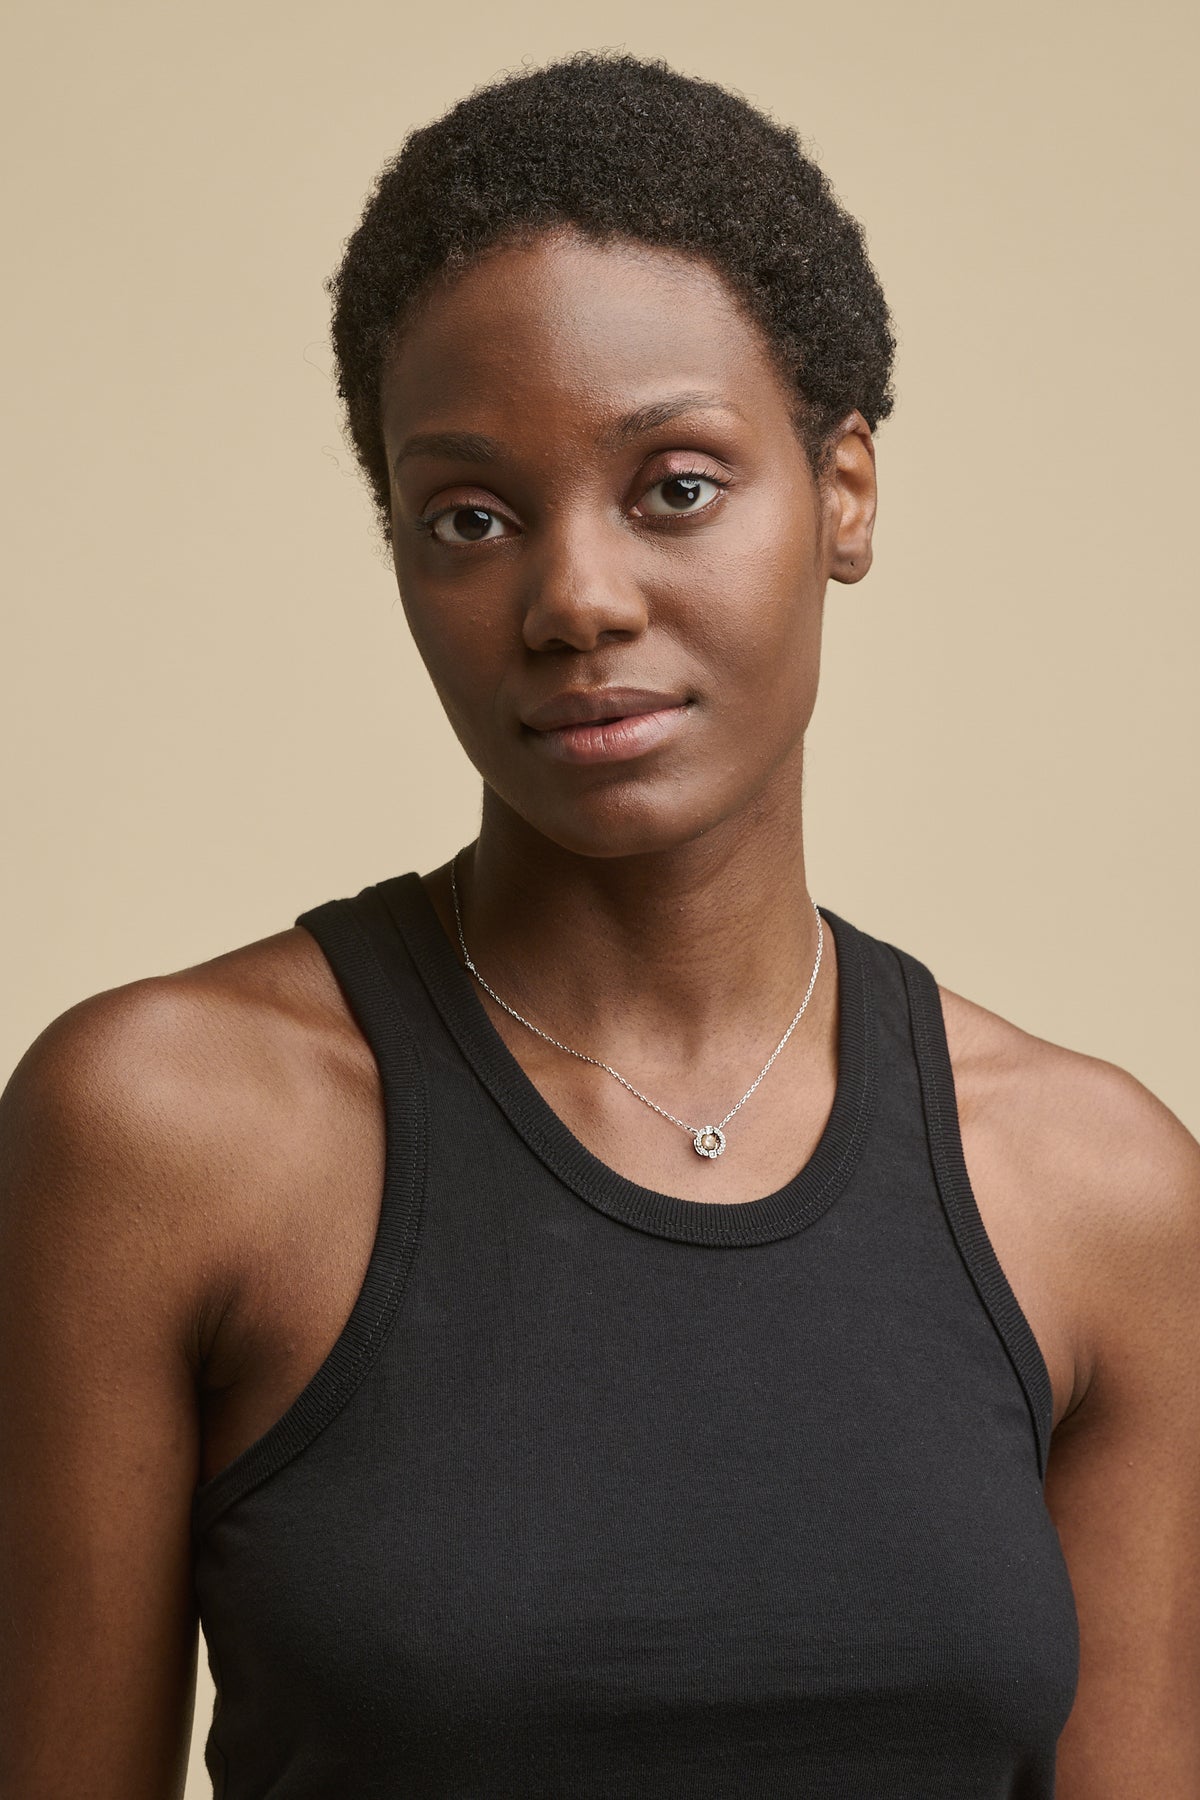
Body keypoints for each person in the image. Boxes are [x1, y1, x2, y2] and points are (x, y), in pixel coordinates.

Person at [1, 48, 1198, 1800]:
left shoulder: (1097, 1192)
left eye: (677, 486)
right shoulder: (167, 1130)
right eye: (470, 516)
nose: (574, 597)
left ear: (844, 490)